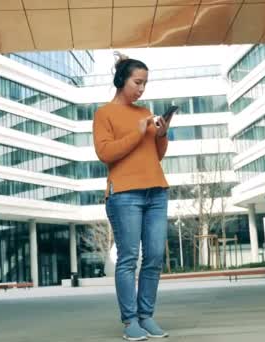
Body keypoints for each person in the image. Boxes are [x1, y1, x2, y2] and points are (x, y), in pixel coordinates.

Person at [93, 52, 171, 341]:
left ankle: (146, 316)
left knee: (153, 257)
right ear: (121, 80)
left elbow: (156, 155)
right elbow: (105, 153)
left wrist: (161, 134)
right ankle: (130, 321)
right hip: (124, 195)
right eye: (137, 82)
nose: (141, 89)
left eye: (145, 84)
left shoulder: (144, 112)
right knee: (128, 259)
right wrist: (138, 134)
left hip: (156, 191)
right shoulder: (103, 114)